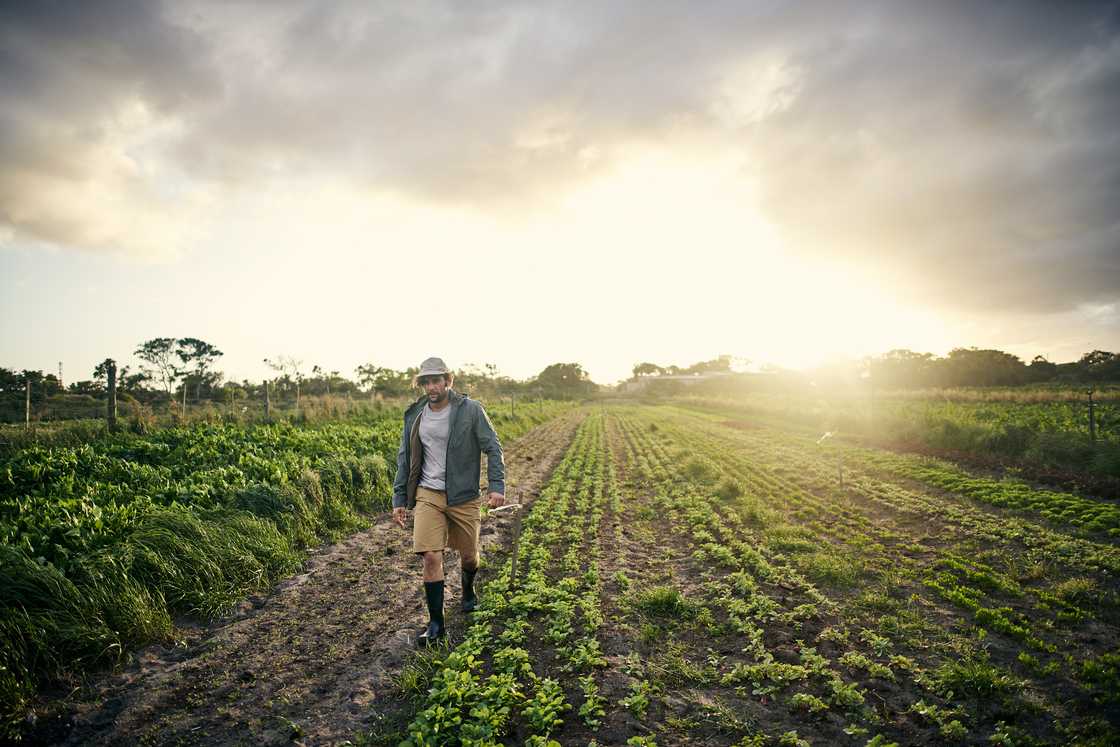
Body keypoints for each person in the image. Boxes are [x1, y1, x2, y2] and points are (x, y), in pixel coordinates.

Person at [391, 357, 506, 646]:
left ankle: (468, 590)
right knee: (431, 555)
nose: (431, 387)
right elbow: (405, 456)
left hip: (463, 495)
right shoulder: (415, 414)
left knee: (469, 555)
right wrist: (400, 498)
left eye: (436, 380)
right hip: (428, 493)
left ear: (448, 381)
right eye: (425, 382)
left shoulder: (470, 410)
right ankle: (436, 625)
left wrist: (496, 486)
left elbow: (493, 447)